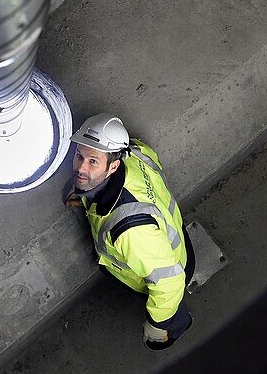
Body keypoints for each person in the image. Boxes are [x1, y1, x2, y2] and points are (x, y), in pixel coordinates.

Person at [65, 112, 195, 351]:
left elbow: (169, 284)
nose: (81, 167)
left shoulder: (131, 232)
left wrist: (157, 324)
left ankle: (175, 329)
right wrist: (85, 194)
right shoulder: (135, 152)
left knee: (170, 312)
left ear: (113, 165)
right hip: (173, 244)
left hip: (168, 274)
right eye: (79, 155)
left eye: (93, 161)